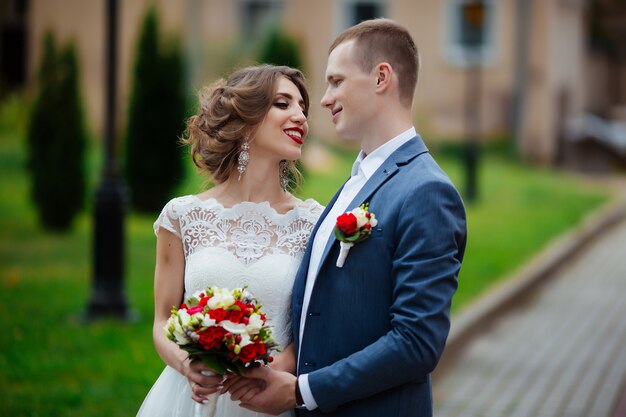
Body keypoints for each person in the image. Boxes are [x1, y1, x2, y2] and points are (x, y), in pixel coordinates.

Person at [225, 18, 467, 417]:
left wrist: (302, 391)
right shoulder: (355, 182)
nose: (323, 99)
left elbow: (416, 342)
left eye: (336, 81)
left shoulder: (426, 192)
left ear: (381, 78)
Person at [136, 64, 324, 417]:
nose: (300, 116)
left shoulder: (314, 223)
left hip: (269, 398)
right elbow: (162, 320)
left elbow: (318, 323)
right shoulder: (181, 217)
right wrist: (185, 363)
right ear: (246, 116)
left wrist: (275, 370)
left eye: (303, 107)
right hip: (189, 398)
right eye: (283, 104)